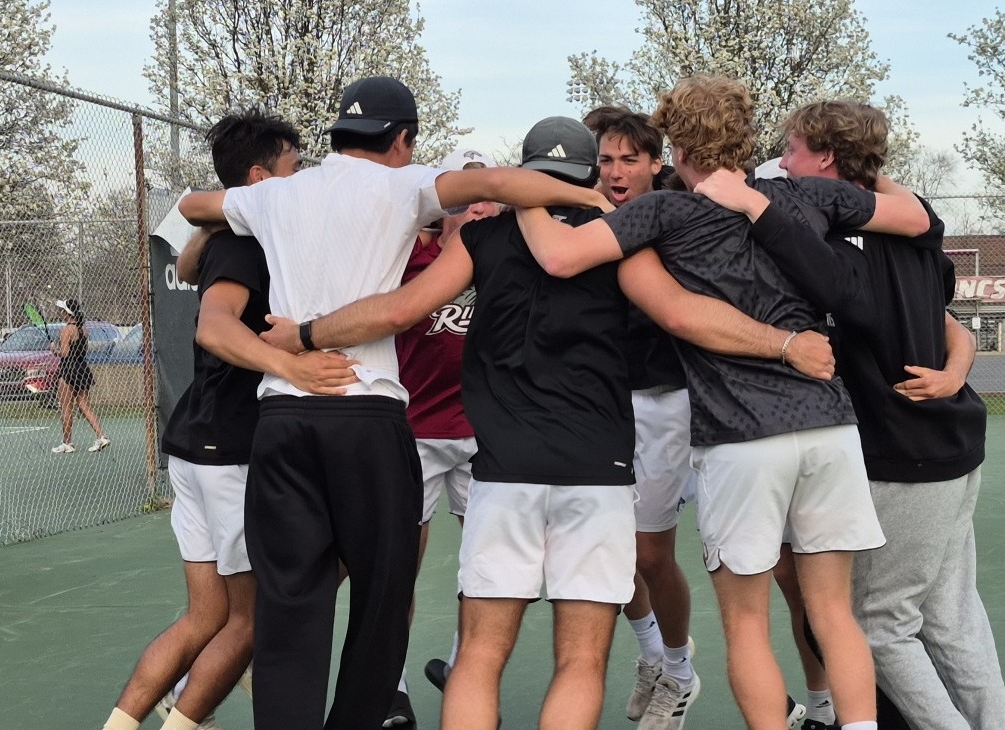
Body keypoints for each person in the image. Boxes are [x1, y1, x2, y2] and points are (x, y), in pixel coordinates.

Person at [257, 115, 838, 730]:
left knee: (479, 655)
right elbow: (685, 315)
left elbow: (401, 309)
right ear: (590, 173)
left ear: (524, 174)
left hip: (504, 473)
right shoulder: (619, 239)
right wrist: (785, 343)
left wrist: (305, 334)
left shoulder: (482, 238)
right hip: (597, 472)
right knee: (581, 661)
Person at [176, 76, 616, 730]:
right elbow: (501, 185)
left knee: (289, 605)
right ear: (402, 139)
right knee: (383, 602)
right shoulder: (403, 184)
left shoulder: (272, 194)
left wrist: (220, 220)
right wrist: (587, 194)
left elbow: (191, 205)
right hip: (367, 416)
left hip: (283, 419)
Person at [512, 76, 931, 730]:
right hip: (829, 425)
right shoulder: (803, 195)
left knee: (744, 626)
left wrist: (520, 193)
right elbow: (914, 217)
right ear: (747, 133)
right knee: (834, 613)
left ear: (675, 146)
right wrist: (860, 172)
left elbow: (560, 257)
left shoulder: (663, 214)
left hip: (741, 437)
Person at [707, 99, 1005, 730]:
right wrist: (957, 371)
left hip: (901, 454)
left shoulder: (847, 248)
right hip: (952, 445)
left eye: (791, 150)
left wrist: (753, 204)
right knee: (954, 619)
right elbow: (943, 313)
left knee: (879, 625)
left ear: (825, 158)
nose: (783, 163)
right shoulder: (916, 230)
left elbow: (835, 282)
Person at [101, 110, 359, 730]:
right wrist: (291, 364)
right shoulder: (247, 243)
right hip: (229, 451)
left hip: (195, 445)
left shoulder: (225, 237)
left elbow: (188, 267)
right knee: (252, 619)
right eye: (294, 168)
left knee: (206, 617)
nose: (303, 179)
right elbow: (213, 326)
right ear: (258, 177)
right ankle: (185, 717)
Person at [583, 105, 702, 729]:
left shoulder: (675, 222)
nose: (617, 170)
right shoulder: (585, 224)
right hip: (603, 403)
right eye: (606, 159)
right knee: (610, 552)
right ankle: (655, 657)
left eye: (630, 159)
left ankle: (681, 671)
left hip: (663, 403)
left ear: (657, 163)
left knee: (651, 555)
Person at [388, 148, 499, 726]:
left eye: (488, 196)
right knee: (399, 565)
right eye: (466, 198)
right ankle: (391, 688)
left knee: (488, 568)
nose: (479, 207)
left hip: (484, 436)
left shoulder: (509, 258)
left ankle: (464, 671)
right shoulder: (406, 259)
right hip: (416, 433)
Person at [49, 298, 108, 454]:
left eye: (62, 310)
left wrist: (54, 348)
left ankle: (67, 442)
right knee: (84, 406)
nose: (60, 312)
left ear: (67, 313)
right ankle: (101, 436)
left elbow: (65, 353)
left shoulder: (66, 330)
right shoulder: (84, 330)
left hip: (68, 369)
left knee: (66, 407)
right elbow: (81, 350)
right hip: (82, 368)